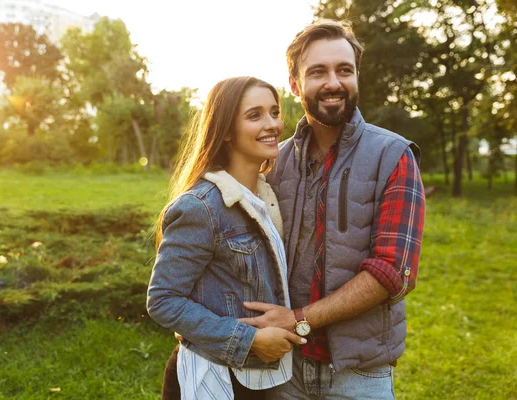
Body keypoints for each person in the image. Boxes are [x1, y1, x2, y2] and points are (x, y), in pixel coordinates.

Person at [238, 20, 426, 399]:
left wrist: (299, 320)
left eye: (344, 70)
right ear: (294, 84)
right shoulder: (273, 161)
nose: (333, 82)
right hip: (283, 370)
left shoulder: (394, 156)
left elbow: (392, 273)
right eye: (317, 72)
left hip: (359, 376)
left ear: (357, 77)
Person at [147, 76, 306, 400]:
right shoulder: (202, 206)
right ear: (227, 132)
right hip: (213, 376)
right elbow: (163, 300)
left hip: (259, 380)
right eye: (255, 115)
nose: (272, 123)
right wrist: (248, 340)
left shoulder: (266, 198)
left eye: (274, 112)